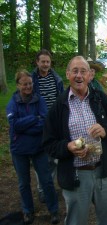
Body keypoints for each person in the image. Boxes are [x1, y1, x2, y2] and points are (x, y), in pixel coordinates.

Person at [42, 56, 107, 225]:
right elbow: (48, 143)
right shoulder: (59, 106)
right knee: (76, 221)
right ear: (67, 74)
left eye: (83, 71)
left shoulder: (100, 98)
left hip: (104, 172)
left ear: (89, 75)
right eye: (75, 71)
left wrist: (105, 130)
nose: (79, 76)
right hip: (76, 175)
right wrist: (67, 146)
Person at [6, 70, 60, 225]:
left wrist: (25, 125)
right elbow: (14, 125)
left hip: (38, 148)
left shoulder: (39, 100)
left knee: (47, 181)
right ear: (18, 85)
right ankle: (27, 211)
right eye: (24, 84)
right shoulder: (13, 103)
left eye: (30, 83)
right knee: (24, 183)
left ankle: (53, 210)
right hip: (19, 150)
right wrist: (33, 119)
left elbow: (44, 122)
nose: (28, 86)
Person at [31, 49, 64, 203]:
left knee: (56, 156)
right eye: (42, 61)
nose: (45, 64)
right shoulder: (32, 79)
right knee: (42, 158)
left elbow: (62, 100)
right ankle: (42, 189)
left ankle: (52, 187)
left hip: (55, 123)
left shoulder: (56, 79)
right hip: (40, 124)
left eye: (48, 62)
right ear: (37, 62)